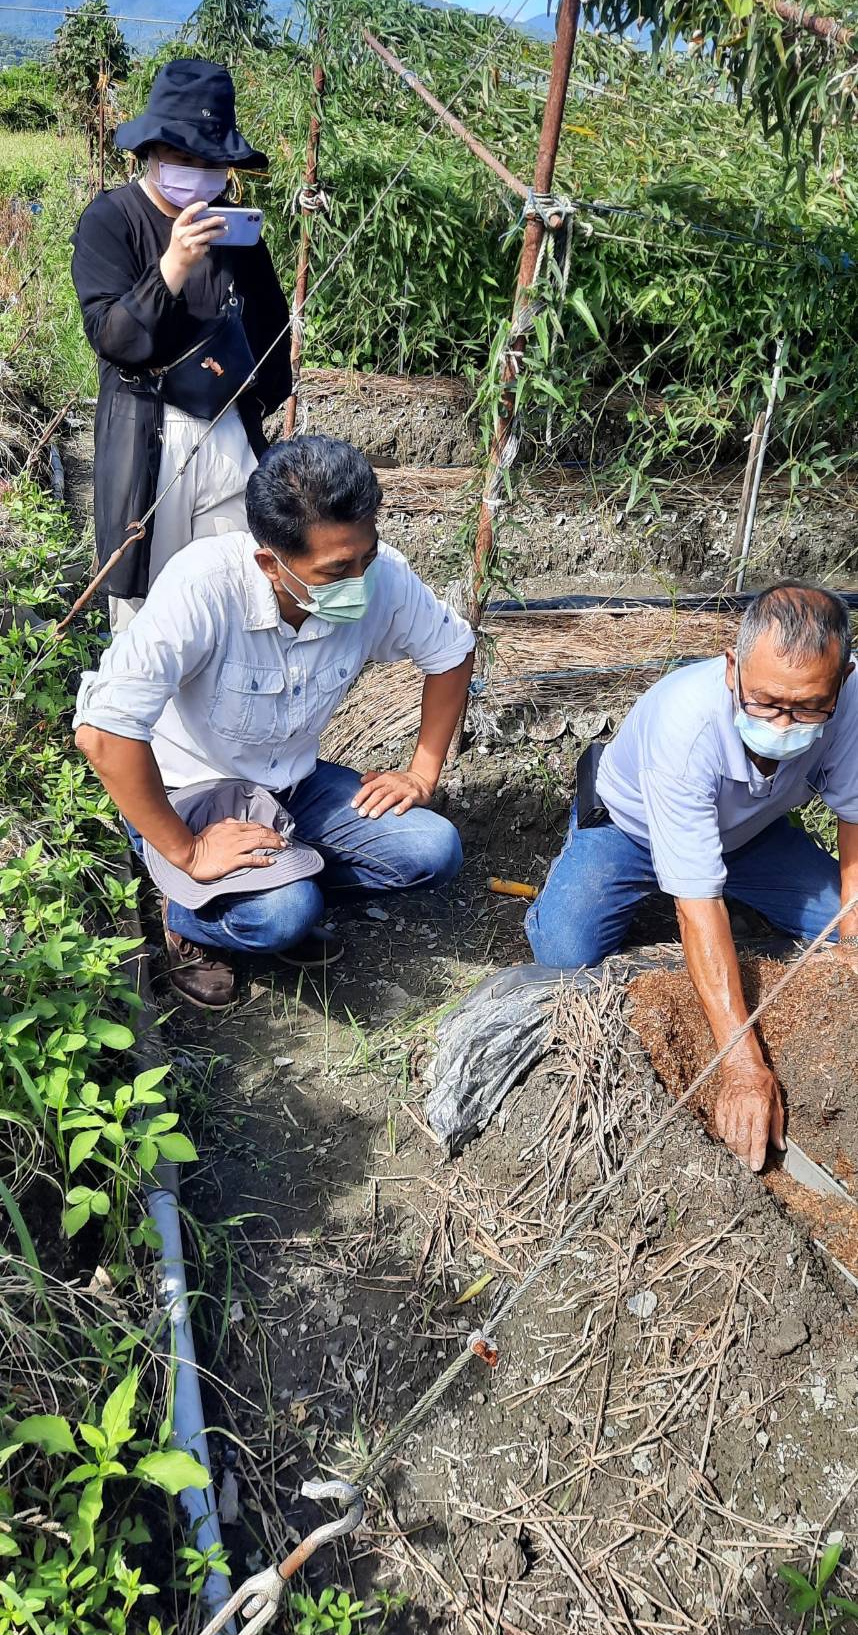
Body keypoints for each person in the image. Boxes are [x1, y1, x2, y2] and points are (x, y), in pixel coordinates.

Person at [73, 437, 475, 1010]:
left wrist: (423, 770)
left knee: (433, 850)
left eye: (366, 556)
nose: (359, 581)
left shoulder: (378, 578)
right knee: (284, 916)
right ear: (270, 562)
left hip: (294, 787)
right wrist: (187, 850)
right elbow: (103, 732)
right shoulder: (203, 586)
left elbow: (451, 653)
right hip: (190, 795)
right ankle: (191, 917)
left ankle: (278, 882)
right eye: (337, 570)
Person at [526, 584, 858, 1172]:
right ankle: (579, 859)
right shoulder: (688, 726)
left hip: (750, 835)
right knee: (563, 948)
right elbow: (697, 905)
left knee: (841, 923)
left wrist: (852, 927)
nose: (785, 724)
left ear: (843, 677)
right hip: (631, 831)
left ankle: (737, 888)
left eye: (808, 708)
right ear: (732, 669)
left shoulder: (851, 701)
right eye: (767, 703)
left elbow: (855, 813)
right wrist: (741, 1065)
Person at [71, 59, 292, 632]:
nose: (199, 174)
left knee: (234, 594)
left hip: (225, 432)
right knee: (151, 613)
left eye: (211, 163)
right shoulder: (112, 220)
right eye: (184, 159)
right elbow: (112, 338)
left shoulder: (236, 234)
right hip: (148, 433)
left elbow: (272, 329)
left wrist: (253, 407)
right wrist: (171, 267)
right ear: (151, 153)